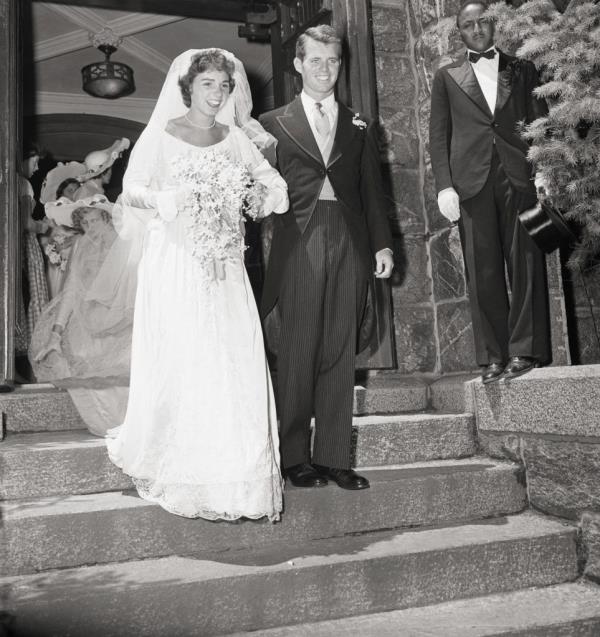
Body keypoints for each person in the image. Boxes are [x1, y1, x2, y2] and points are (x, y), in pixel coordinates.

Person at [105, 49, 288, 522]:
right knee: (187, 352)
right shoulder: (163, 134)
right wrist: (172, 198)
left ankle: (237, 473)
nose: (218, 93)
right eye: (208, 84)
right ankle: (183, 461)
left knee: (232, 355)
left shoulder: (233, 139)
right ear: (188, 88)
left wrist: (257, 199)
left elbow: (271, 182)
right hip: (177, 258)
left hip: (225, 261)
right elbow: (133, 189)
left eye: (224, 86)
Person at [259, 25, 394, 490]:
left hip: (351, 241)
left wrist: (382, 243)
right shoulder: (272, 123)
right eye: (315, 60)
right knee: (298, 347)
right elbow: (258, 193)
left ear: (341, 64)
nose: (324, 69)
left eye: (332, 60)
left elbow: (374, 193)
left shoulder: (360, 124)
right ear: (297, 64)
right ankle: (294, 456)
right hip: (299, 237)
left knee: (340, 348)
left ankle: (335, 456)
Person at [429, 0, 550, 384]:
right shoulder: (446, 76)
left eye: (483, 22)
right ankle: (493, 356)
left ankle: (525, 349)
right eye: (468, 24)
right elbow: (438, 136)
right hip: (471, 181)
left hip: (519, 175)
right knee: (482, 270)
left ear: (493, 25)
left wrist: (545, 167)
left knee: (526, 263)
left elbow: (539, 121)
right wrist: (445, 186)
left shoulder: (523, 69)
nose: (477, 28)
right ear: (459, 32)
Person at [30, 195, 135, 436]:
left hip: (123, 319)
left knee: (124, 365)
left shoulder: (126, 243)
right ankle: (108, 425)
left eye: (95, 221)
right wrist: (56, 332)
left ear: (107, 218)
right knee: (79, 357)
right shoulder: (81, 245)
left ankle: (130, 425)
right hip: (88, 321)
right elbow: (72, 290)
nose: (90, 228)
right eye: (85, 224)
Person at [17, 145, 50, 381]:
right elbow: (27, 224)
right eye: (35, 162)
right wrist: (43, 226)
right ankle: (28, 368)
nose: (37, 167)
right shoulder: (23, 184)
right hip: (25, 245)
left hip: (13, 244)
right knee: (30, 298)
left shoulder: (9, 180)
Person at [40, 162, 87, 298]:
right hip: (61, 251)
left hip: (76, 250)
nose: (73, 194)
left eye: (76, 191)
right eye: (69, 190)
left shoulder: (81, 207)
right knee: (58, 285)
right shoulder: (58, 206)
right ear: (61, 192)